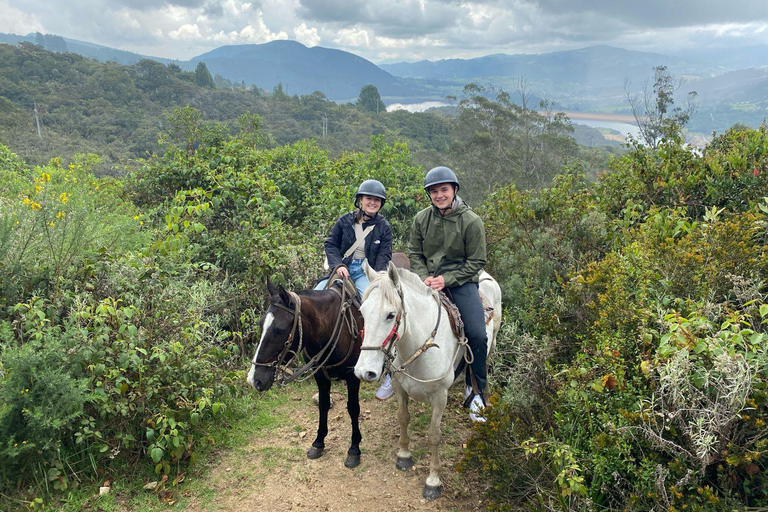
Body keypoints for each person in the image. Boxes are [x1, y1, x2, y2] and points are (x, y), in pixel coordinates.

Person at [408, 166, 489, 422]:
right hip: (429, 279)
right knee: (401, 319)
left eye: (444, 189)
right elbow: (415, 253)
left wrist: (447, 279)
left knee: (476, 334)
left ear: (454, 190)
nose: (439, 195)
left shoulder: (471, 221)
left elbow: (477, 261)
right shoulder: (421, 219)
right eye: (434, 191)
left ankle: (476, 391)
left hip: (461, 281)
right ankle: (394, 374)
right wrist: (423, 277)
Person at [315, 179, 393, 299]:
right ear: (361, 200)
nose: (373, 203)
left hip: (365, 272)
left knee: (371, 302)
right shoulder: (345, 221)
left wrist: (375, 278)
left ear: (381, 203)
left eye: (377, 200)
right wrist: (338, 265)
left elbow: (384, 256)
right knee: (316, 294)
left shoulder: (384, 227)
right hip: (343, 268)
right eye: (368, 198)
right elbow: (331, 244)